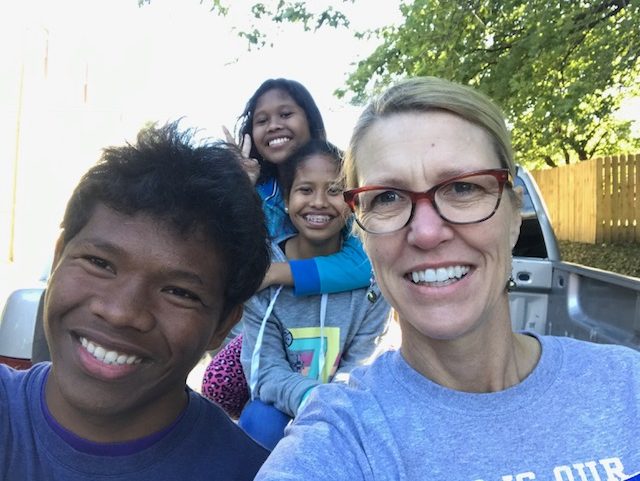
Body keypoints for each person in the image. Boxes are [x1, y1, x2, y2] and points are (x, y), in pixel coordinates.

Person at [254, 77, 640, 480]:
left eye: (462, 187)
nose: (426, 232)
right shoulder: (343, 437)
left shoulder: (627, 386)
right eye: (387, 196)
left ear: (513, 216)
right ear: (363, 235)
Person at [0, 122, 271, 480]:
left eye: (179, 292)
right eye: (99, 263)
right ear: (58, 257)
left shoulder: (255, 474)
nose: (120, 312)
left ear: (223, 325)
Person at [236, 140, 391, 450]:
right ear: (287, 199)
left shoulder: (371, 281)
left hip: (346, 407)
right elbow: (265, 373)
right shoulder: (263, 272)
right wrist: (313, 398)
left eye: (334, 190)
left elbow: (362, 365)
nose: (319, 202)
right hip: (281, 406)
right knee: (259, 419)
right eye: (305, 190)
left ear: (351, 202)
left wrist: (332, 408)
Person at [224, 78, 371, 295]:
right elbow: (226, 257)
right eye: (262, 120)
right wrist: (238, 188)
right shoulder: (256, 191)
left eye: (285, 115)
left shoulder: (345, 180)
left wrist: (275, 273)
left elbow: (367, 262)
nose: (273, 126)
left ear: (310, 121)